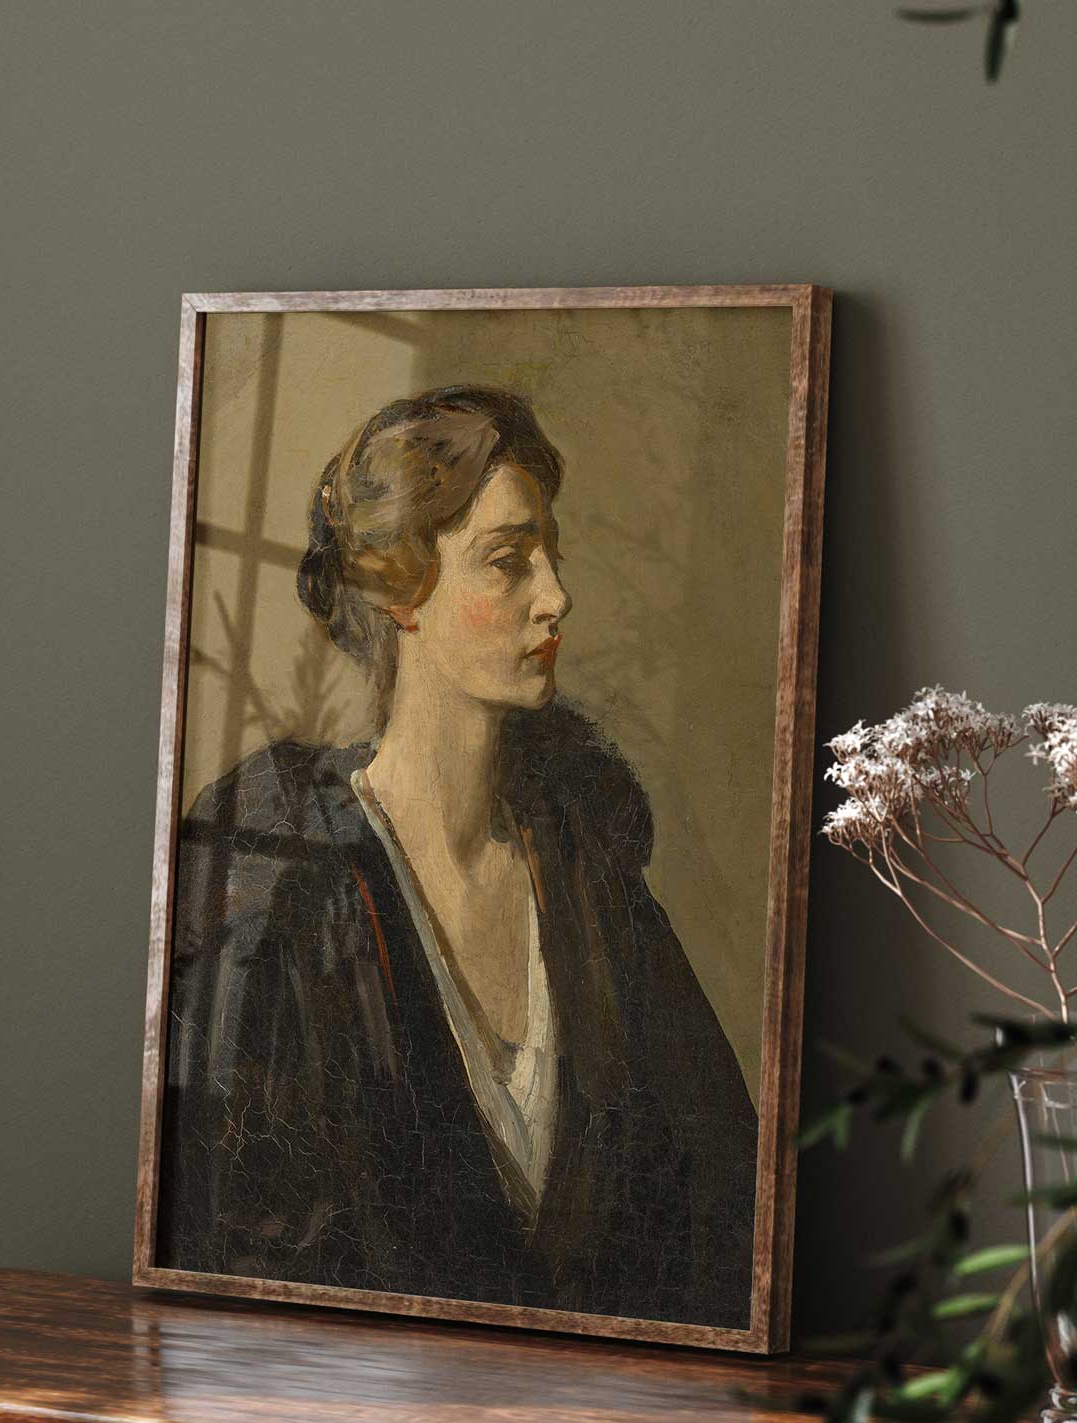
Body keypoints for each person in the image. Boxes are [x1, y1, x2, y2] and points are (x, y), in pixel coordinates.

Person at [155, 382, 758, 1328]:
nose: (556, 596)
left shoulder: (585, 877)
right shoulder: (293, 896)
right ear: (400, 590)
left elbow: (724, 1192)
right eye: (507, 562)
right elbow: (242, 1256)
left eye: (549, 555)